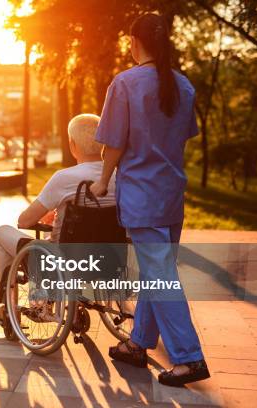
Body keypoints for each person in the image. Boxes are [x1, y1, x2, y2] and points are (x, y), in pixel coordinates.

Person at [89, 13, 209, 387]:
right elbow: (182, 136)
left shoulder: (125, 83)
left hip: (142, 195)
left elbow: (114, 142)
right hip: (172, 194)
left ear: (134, 42)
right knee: (159, 274)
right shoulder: (184, 86)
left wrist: (102, 181)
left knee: (159, 278)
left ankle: (189, 358)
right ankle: (138, 344)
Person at [0, 114, 116, 320]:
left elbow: (24, 221)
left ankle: (5, 307)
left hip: (60, 263)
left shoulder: (64, 178)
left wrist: (49, 211)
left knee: (1, 233)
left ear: (73, 145)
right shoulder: (119, 177)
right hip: (109, 260)